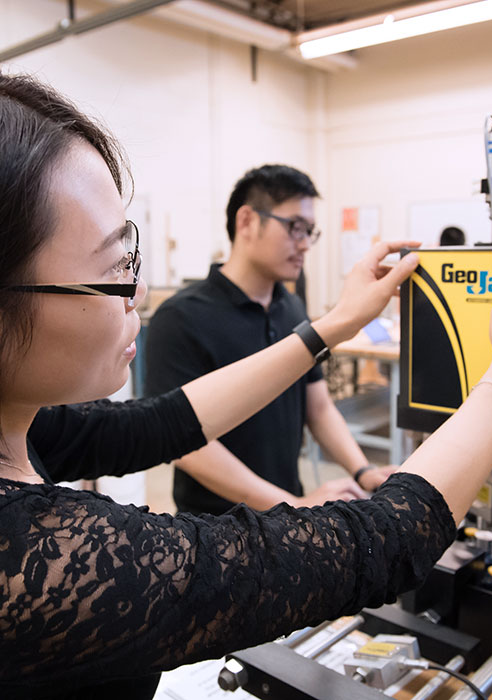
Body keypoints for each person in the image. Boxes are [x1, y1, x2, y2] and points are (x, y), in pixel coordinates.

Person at [0, 65, 492, 699]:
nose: (139, 293)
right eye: (114, 273)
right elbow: (386, 542)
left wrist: (330, 327)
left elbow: (161, 423)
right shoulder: (28, 570)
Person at [145, 164, 399, 516]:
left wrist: (364, 471)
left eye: (311, 231)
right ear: (247, 221)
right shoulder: (180, 318)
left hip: (285, 515)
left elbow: (319, 407)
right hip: (214, 529)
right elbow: (186, 448)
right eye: (295, 227)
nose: (306, 244)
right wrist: (291, 505)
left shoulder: (291, 308)